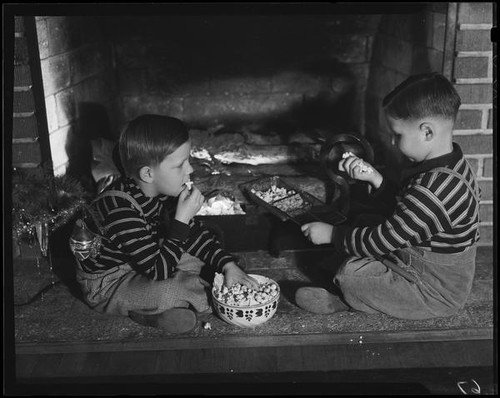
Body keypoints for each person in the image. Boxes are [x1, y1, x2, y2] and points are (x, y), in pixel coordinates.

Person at [295, 73, 481, 320]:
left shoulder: (436, 190)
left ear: (427, 132)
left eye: (398, 135)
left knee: (351, 273)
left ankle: (346, 297)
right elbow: (407, 208)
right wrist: (375, 178)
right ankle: (355, 287)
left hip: (432, 291)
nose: (393, 143)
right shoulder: (449, 165)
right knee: (366, 220)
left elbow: (381, 241)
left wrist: (332, 234)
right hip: (413, 261)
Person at [72, 114, 259, 333]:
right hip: (109, 283)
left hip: (145, 261)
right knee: (171, 289)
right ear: (148, 174)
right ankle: (157, 310)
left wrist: (227, 265)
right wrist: (181, 220)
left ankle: (206, 283)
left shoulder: (160, 191)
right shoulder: (119, 209)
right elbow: (158, 272)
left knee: (204, 253)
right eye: (181, 165)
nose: (190, 170)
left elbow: (193, 236)